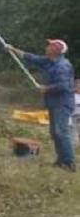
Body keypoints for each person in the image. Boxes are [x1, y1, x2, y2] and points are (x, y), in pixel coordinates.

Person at [5, 40, 75, 172]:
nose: (47, 46)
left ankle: (69, 163)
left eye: (50, 45)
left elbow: (64, 86)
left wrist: (47, 88)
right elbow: (30, 57)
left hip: (62, 104)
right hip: (54, 103)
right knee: (55, 133)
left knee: (61, 132)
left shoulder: (62, 66)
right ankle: (61, 161)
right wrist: (13, 49)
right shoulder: (49, 60)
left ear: (55, 50)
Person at [73, 79, 80, 150]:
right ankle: (76, 143)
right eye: (77, 87)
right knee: (75, 130)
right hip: (74, 116)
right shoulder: (72, 96)